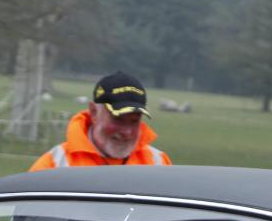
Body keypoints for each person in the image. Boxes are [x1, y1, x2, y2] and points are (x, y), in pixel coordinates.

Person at [28, 72, 171, 170]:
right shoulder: (54, 164)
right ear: (94, 112)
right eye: (118, 119)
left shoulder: (158, 163)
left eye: (134, 121)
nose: (127, 132)